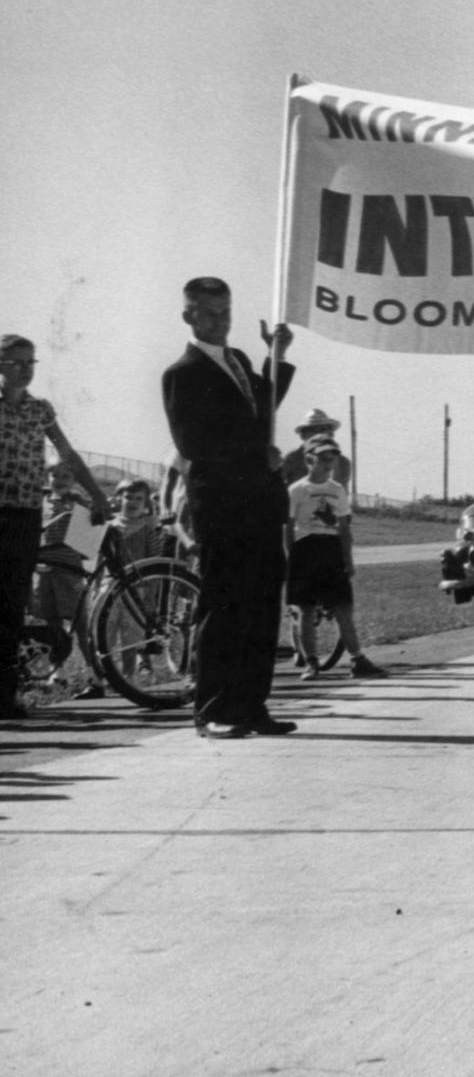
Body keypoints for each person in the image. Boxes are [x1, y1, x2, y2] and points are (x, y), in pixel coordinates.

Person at [161, 277, 294, 739]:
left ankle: (251, 704)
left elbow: (265, 409)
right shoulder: (181, 373)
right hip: (221, 507)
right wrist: (256, 455)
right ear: (189, 316)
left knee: (261, 607)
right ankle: (212, 708)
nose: (221, 322)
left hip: (260, 502)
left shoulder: (236, 361)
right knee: (224, 607)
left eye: (226, 312)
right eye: (210, 314)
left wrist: (274, 356)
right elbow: (193, 442)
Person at [0, 334, 109, 719]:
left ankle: (5, 695)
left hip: (25, 513)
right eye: (16, 362)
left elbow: (68, 454)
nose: (25, 369)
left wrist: (96, 495)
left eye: (31, 362)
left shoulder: (40, 410)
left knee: (12, 605)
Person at [285, 437, 384, 679]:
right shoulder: (296, 490)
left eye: (332, 458)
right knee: (306, 610)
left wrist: (348, 560)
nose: (328, 463)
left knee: (343, 608)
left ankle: (358, 659)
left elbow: (344, 528)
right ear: (309, 459)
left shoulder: (337, 490)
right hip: (305, 550)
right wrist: (290, 558)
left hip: (331, 550)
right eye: (322, 457)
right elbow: (287, 528)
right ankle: (311, 662)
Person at [279, 407, 351, 487]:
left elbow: (342, 493)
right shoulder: (292, 458)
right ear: (303, 435)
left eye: (323, 429)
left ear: (331, 434)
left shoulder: (343, 463)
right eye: (312, 430)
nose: (318, 434)